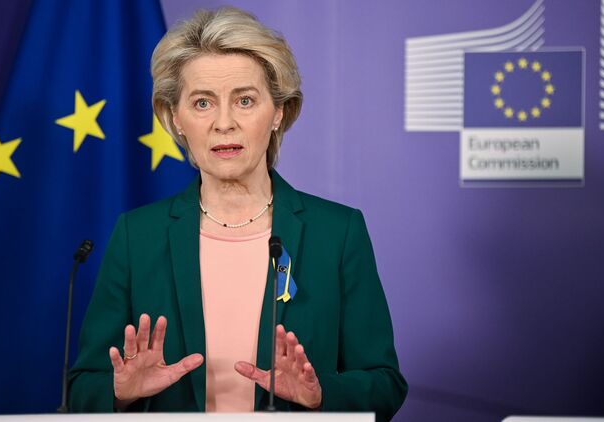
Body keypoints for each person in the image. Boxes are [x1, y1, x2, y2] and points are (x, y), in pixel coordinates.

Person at [68, 7, 407, 419]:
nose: (224, 123)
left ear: (278, 111)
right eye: (202, 102)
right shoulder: (136, 235)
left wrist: (321, 396)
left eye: (245, 100)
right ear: (175, 118)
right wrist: (120, 393)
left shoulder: (337, 233)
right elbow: (82, 387)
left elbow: (384, 384)